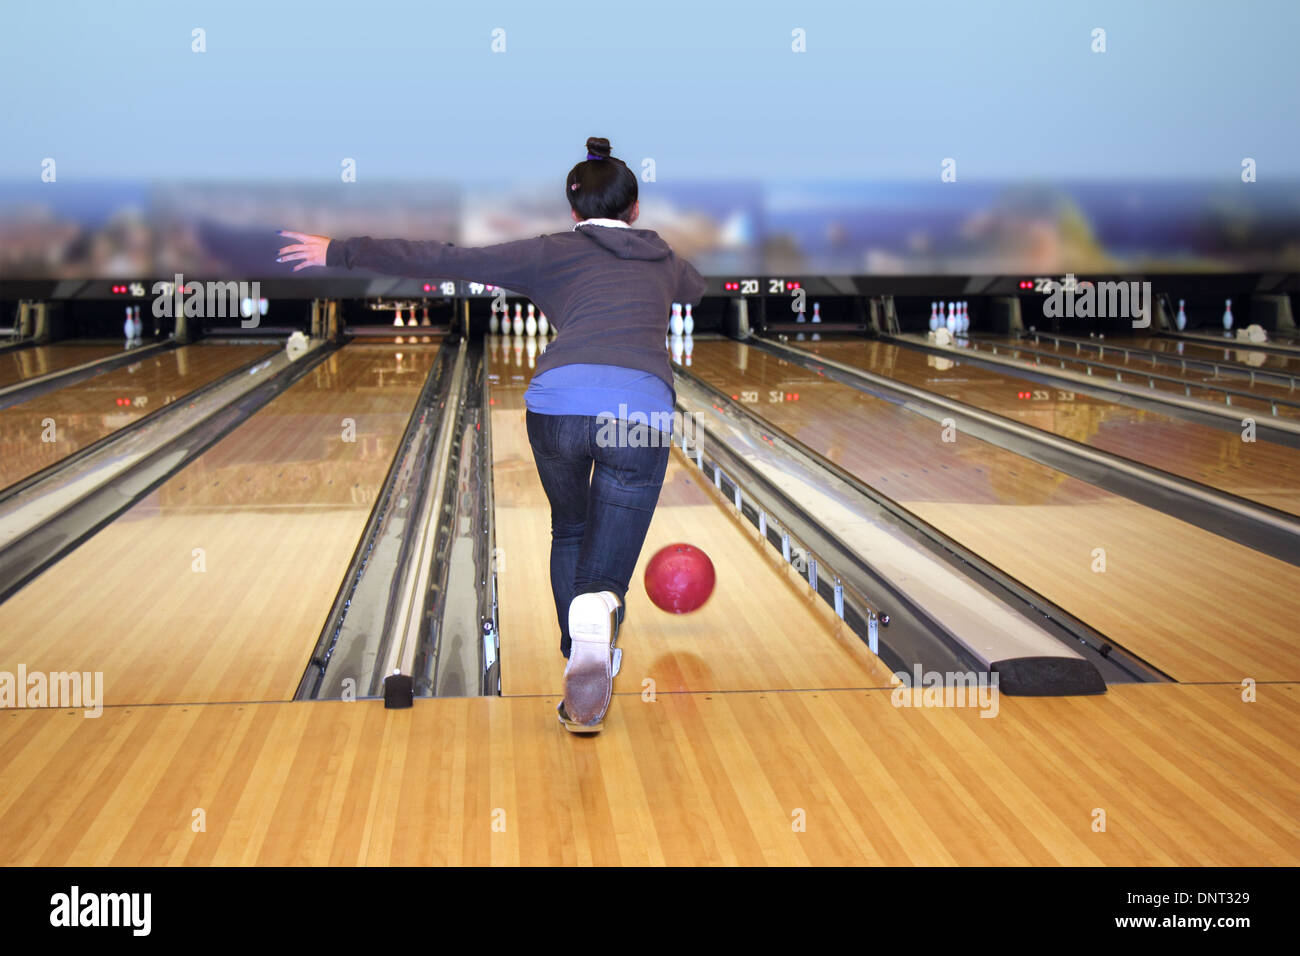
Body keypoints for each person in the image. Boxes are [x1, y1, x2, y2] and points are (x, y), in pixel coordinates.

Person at [277, 136, 707, 733]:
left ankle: (578, 653)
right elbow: (697, 289)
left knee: (571, 527)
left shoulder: (550, 252)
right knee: (603, 577)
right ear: (635, 210)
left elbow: (447, 259)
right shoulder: (662, 257)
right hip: (638, 412)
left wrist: (341, 251)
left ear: (574, 212)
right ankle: (597, 612)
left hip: (557, 406)